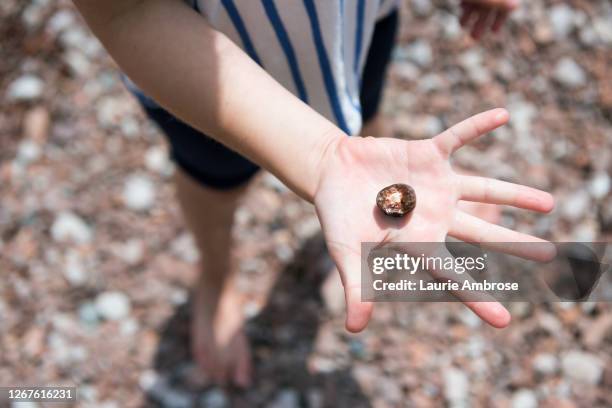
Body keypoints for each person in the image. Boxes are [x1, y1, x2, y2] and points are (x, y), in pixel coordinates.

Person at [72, 0, 552, 387]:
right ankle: (216, 276)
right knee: (212, 180)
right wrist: (323, 158)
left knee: (366, 119)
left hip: (360, 21)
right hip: (198, 73)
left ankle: (371, 157)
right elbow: (126, 11)